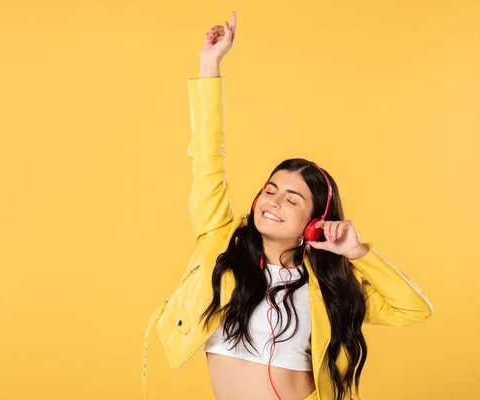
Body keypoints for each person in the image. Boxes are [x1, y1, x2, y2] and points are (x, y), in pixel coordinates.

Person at [142, 11, 433, 400]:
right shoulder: (220, 244)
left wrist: (358, 252)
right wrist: (209, 64)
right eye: (271, 189)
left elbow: (413, 309)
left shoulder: (328, 286)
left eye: (292, 199)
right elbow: (208, 156)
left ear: (315, 222)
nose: (273, 202)